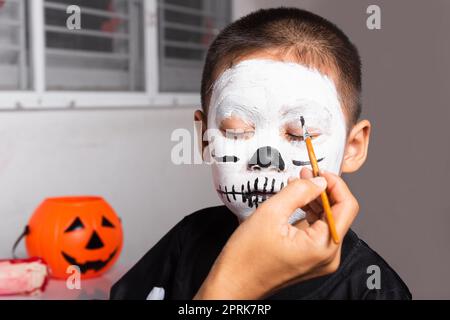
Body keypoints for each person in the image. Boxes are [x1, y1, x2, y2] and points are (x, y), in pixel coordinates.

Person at [110, 7, 411, 300]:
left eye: (298, 134)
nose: (266, 158)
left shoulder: (374, 288)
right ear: (204, 139)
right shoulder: (188, 239)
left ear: (352, 147)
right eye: (236, 130)